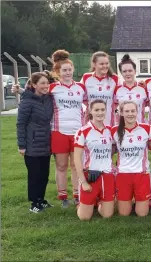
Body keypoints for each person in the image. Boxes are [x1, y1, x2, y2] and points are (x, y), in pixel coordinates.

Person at [49, 50, 87, 207]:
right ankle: (63, 197)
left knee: (76, 165)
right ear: (58, 72)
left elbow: (90, 104)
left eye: (69, 70)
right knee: (61, 165)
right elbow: (35, 92)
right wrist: (19, 91)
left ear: (73, 70)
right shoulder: (52, 88)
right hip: (59, 131)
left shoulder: (81, 87)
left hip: (78, 132)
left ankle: (78, 195)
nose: (67, 73)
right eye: (64, 70)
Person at [17, 72, 55, 213]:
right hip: (32, 144)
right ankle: (34, 203)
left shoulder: (48, 98)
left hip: (45, 143)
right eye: (42, 83)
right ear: (34, 85)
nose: (46, 86)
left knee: (44, 174)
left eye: (47, 83)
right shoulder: (27, 101)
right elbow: (21, 124)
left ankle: (41, 200)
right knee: (34, 175)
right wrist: (22, 145)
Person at [73, 99, 115, 220]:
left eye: (102, 109)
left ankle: (98, 201)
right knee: (84, 218)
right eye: (96, 110)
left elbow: (113, 149)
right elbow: (76, 159)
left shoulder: (109, 130)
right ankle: (82, 204)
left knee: (107, 215)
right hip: (90, 176)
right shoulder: (82, 131)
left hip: (107, 175)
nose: (100, 112)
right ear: (90, 111)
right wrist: (84, 182)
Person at [112, 101, 151, 217]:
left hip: (141, 174)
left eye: (133, 111)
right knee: (124, 214)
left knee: (142, 214)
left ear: (137, 112)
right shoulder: (114, 130)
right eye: (127, 111)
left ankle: (143, 200)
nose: (130, 114)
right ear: (121, 113)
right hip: (123, 174)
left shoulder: (146, 129)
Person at [81, 51, 118, 126]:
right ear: (94, 64)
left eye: (107, 63)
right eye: (101, 64)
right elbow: (81, 97)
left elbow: (119, 99)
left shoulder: (115, 79)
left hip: (108, 122)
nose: (105, 66)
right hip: (90, 121)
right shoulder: (86, 77)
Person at [114, 54, 148, 123]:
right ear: (121, 73)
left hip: (139, 127)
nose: (127, 73)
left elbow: (150, 108)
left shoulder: (143, 88)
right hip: (123, 128)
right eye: (124, 71)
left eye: (130, 71)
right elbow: (114, 109)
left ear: (135, 71)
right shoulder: (117, 89)